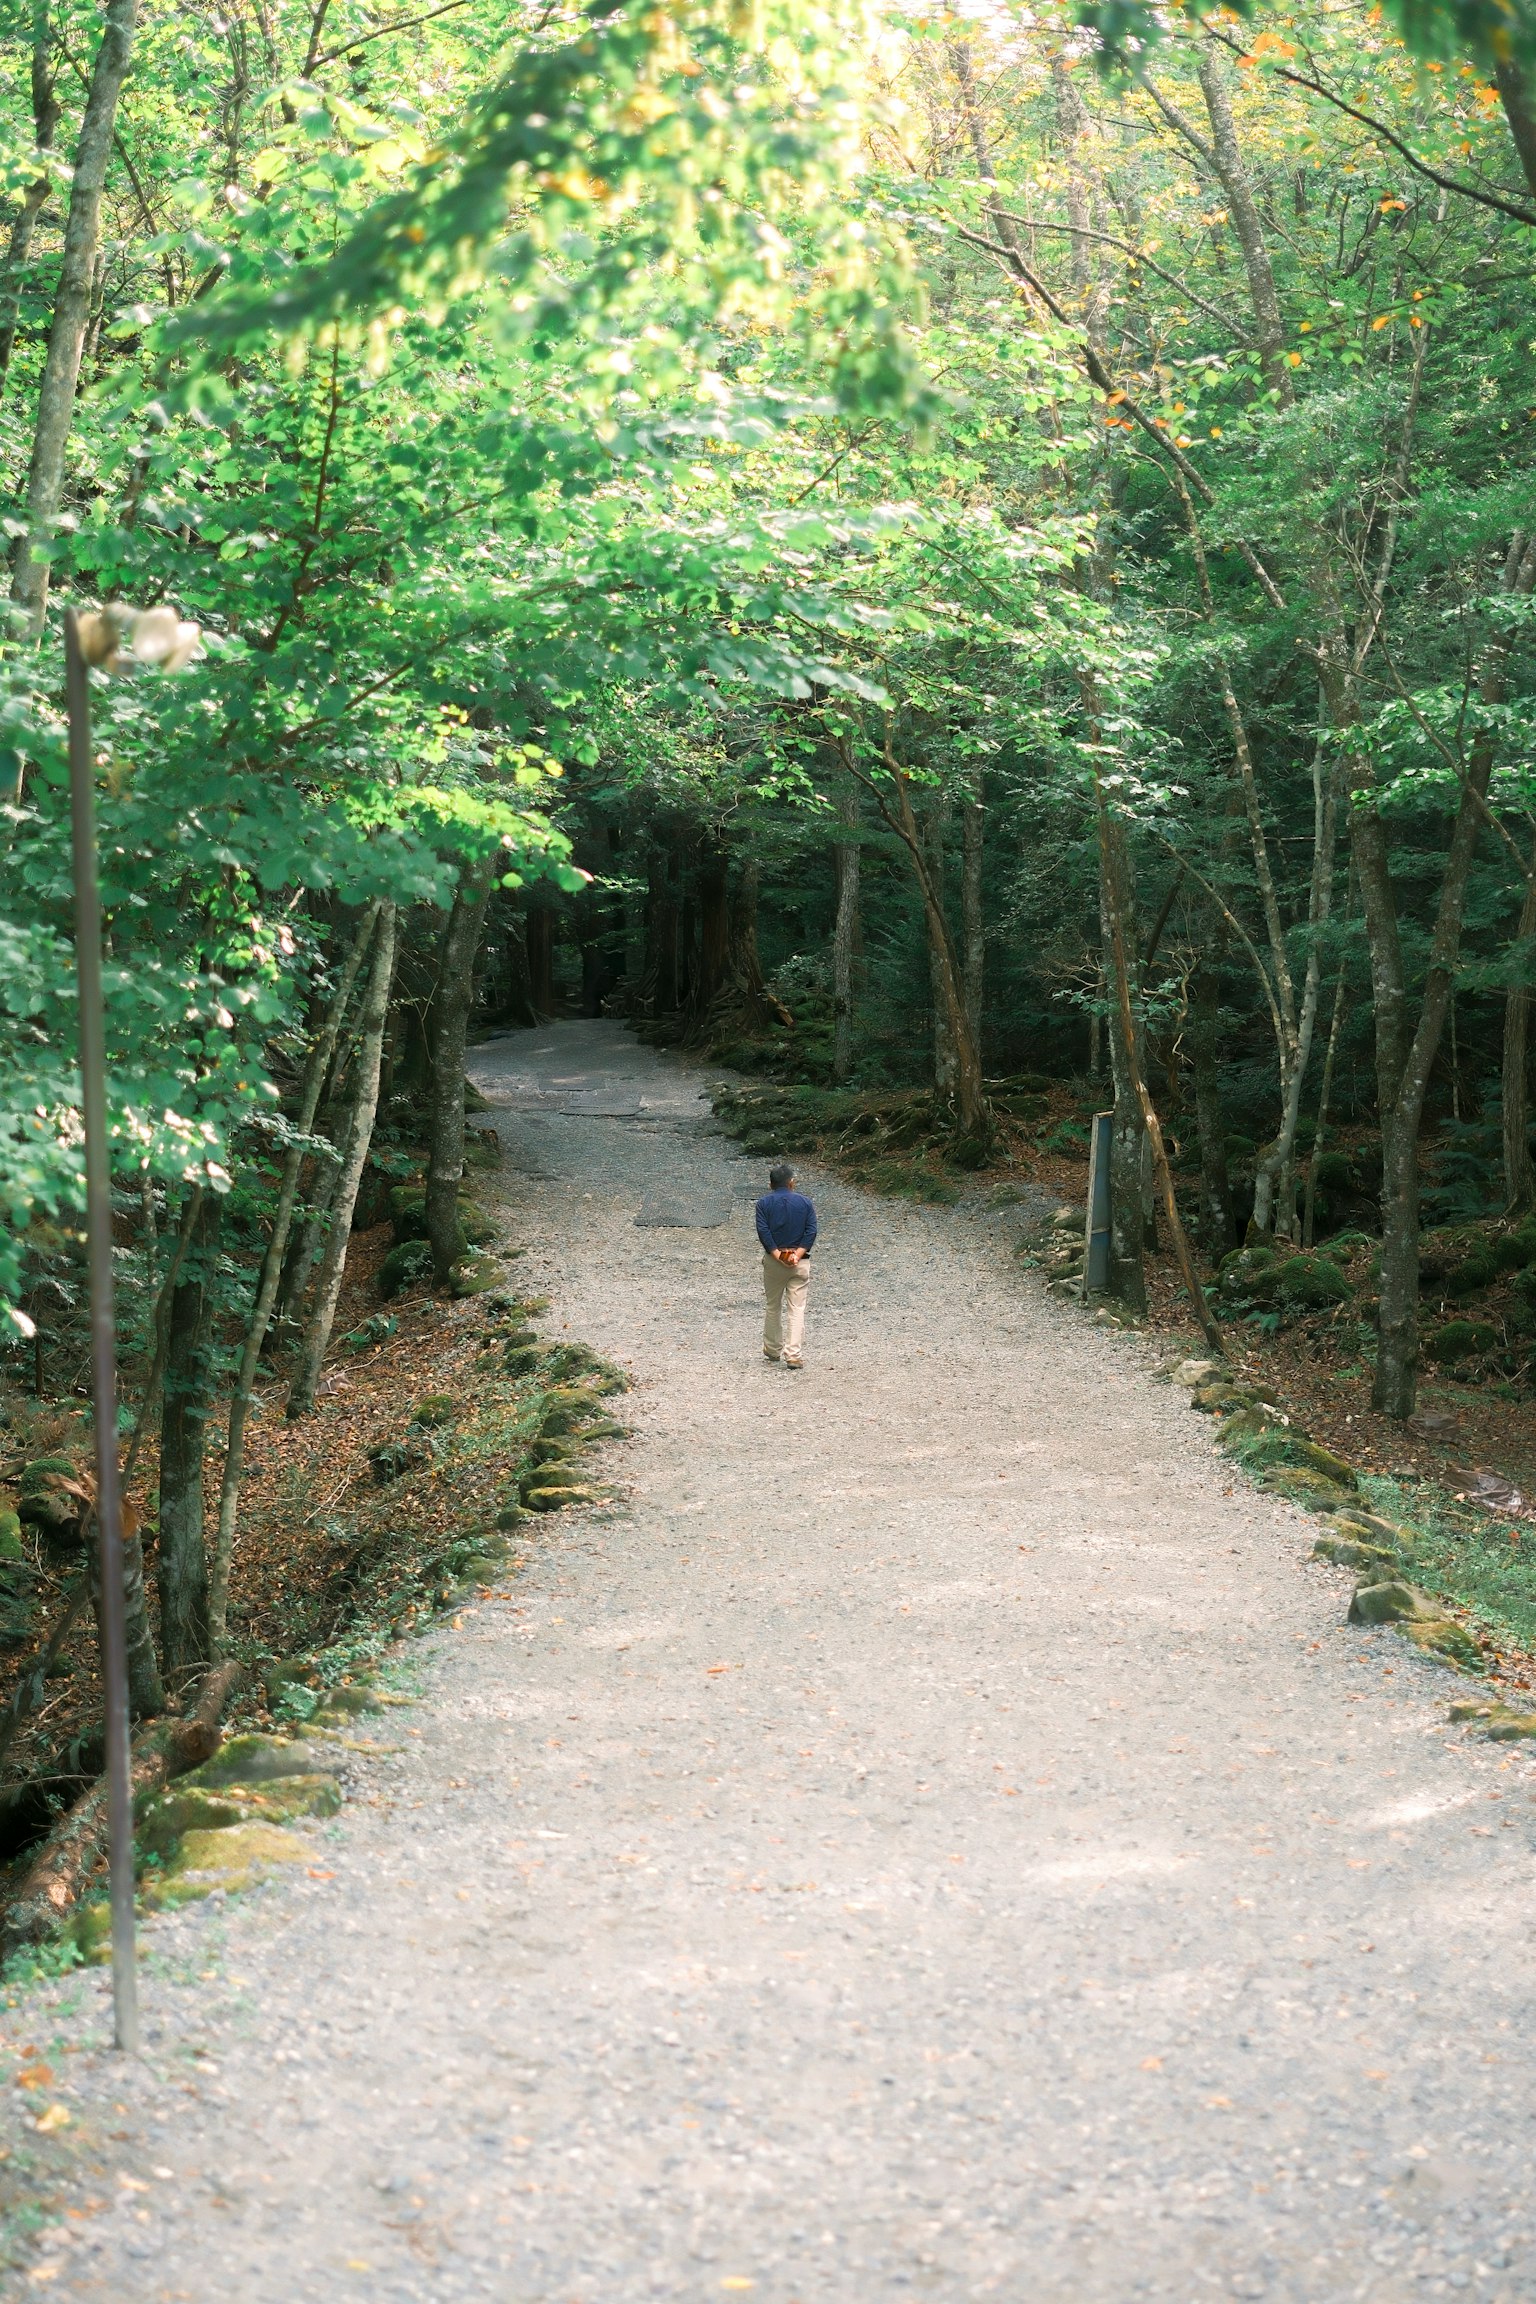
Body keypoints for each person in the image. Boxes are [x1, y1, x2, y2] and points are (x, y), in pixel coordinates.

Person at [755, 1162, 817, 1370]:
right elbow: (811, 1231)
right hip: (800, 1262)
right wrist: (796, 1255)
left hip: (774, 1260)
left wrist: (778, 1254)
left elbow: (764, 1232)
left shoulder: (763, 1204)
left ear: (770, 1185)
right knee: (797, 1308)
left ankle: (773, 1349)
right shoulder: (805, 1203)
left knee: (773, 1305)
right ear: (792, 1183)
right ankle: (793, 1354)